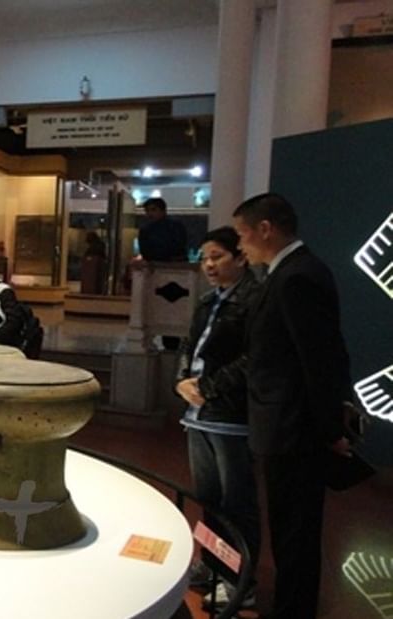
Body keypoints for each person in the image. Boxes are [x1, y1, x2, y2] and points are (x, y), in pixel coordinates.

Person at [232, 192, 351, 619]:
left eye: (243, 236)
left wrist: (329, 431)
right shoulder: (289, 274)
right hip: (285, 428)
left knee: (296, 535)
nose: (241, 246)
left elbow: (320, 362)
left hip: (294, 431)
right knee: (288, 531)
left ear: (266, 229)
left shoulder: (298, 276)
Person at [174, 227, 261, 610]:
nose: (208, 264)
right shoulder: (209, 301)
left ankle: (239, 578)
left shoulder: (255, 300)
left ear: (240, 257)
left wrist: (209, 387)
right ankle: (211, 565)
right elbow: (189, 347)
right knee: (208, 498)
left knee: (237, 502)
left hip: (230, 415)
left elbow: (253, 360)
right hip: (199, 415)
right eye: (204, 257)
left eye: (217, 256)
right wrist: (181, 383)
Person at [137, 197, 188, 262]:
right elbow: (145, 252)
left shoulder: (175, 226)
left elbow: (178, 247)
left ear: (163, 211)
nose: (150, 213)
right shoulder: (145, 230)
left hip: (176, 265)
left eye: (153, 210)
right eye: (147, 211)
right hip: (154, 265)